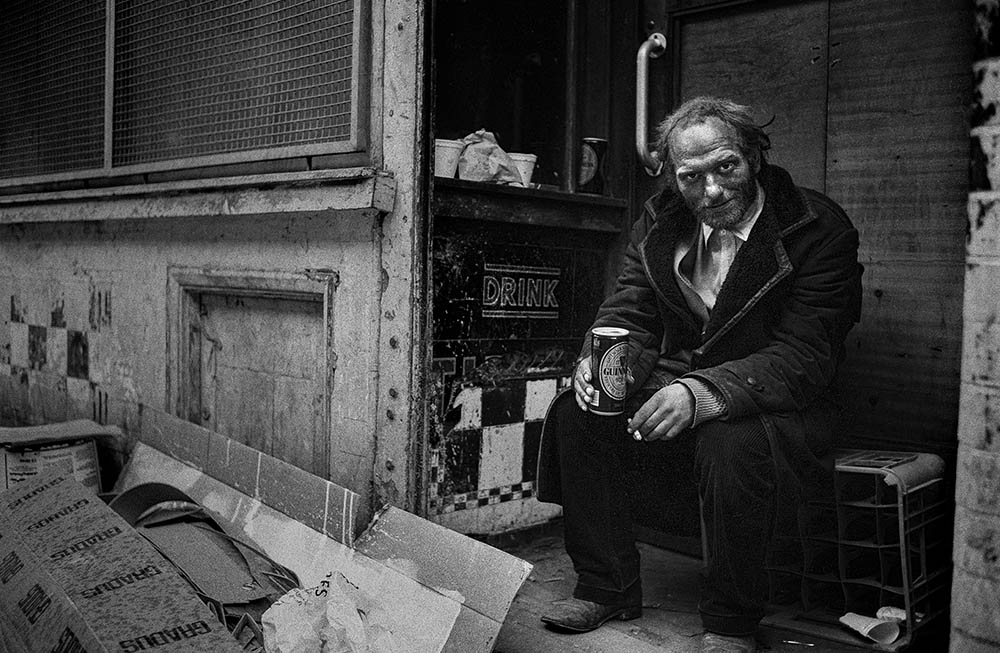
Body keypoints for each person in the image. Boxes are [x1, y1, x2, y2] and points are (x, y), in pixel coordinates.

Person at [535, 96, 862, 653]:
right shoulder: (663, 219)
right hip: (685, 378)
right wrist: (602, 364)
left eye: (725, 167)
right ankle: (605, 585)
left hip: (784, 400)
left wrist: (704, 392)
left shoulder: (817, 228)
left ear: (754, 156)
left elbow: (806, 353)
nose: (711, 191)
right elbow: (629, 311)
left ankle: (731, 621)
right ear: (672, 176)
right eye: (692, 177)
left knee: (729, 439)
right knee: (579, 409)